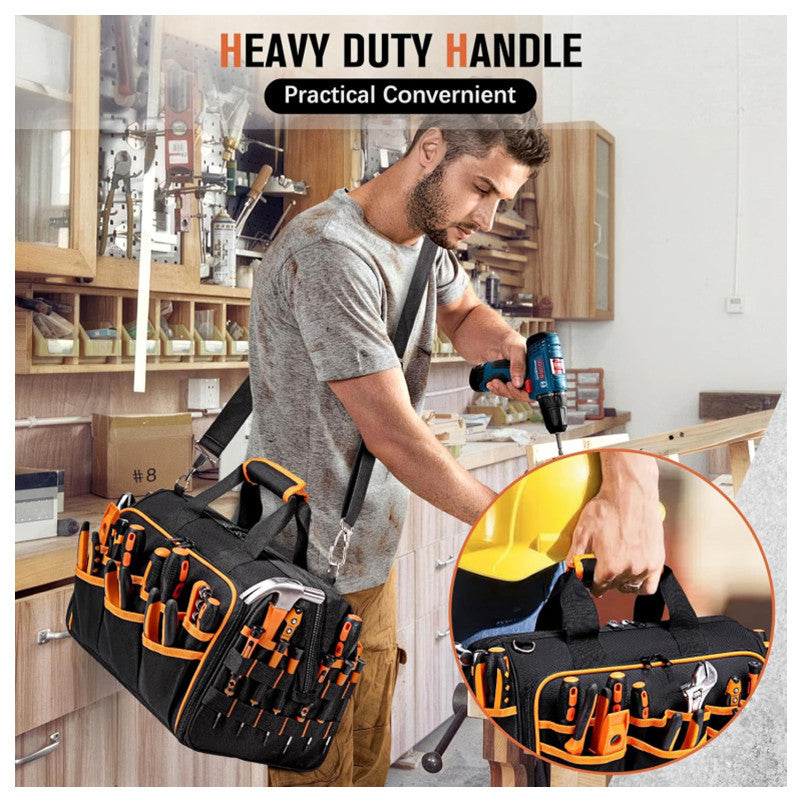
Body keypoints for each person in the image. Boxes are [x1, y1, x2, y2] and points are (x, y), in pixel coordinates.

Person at [246, 111, 663, 786]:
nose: (488, 218)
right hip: (298, 564)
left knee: (366, 763)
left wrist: (507, 343)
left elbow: (464, 313)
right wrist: (516, 524)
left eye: (503, 199)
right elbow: (394, 436)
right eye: (482, 189)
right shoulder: (330, 251)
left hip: (365, 558)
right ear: (431, 149)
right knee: (315, 771)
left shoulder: (424, 243)